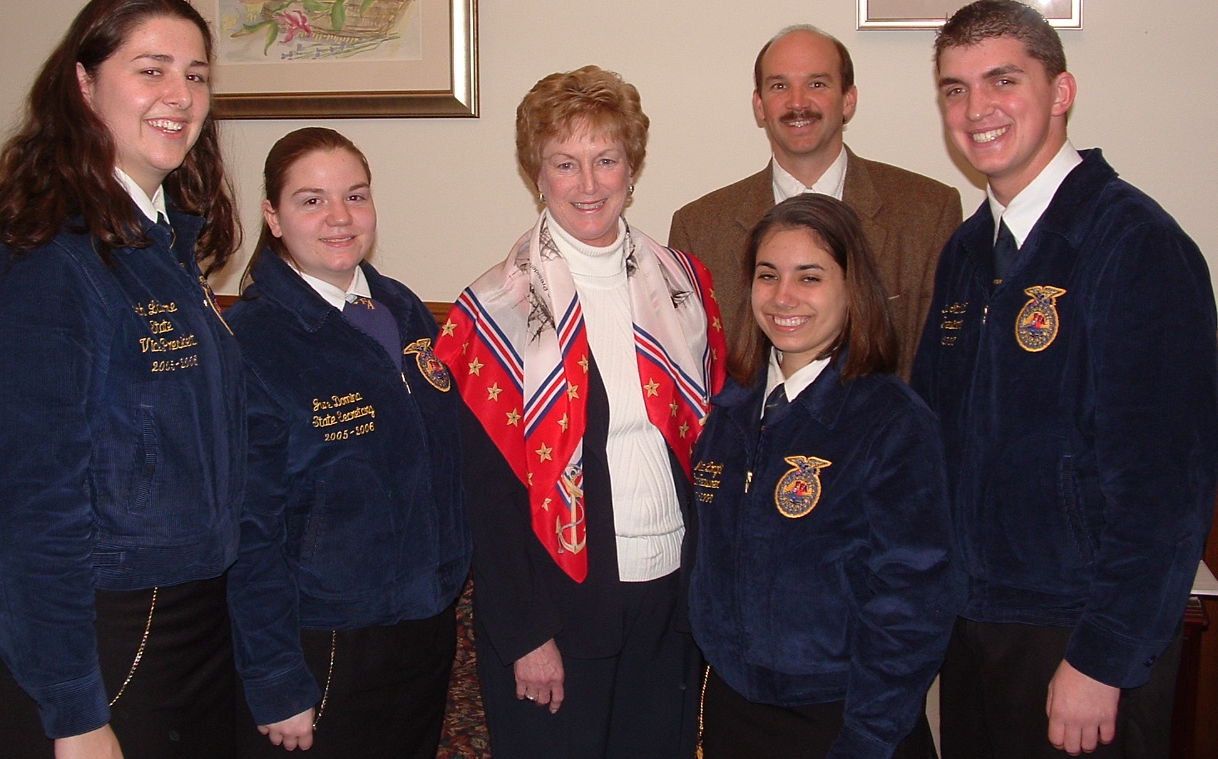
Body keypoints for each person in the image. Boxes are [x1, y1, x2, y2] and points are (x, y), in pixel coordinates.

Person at [912, 0, 1218, 758]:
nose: (977, 109)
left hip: (1079, 638)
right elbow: (931, 439)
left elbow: (1166, 486)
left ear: (1062, 93)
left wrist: (1103, 657)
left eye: (1002, 80)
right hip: (974, 625)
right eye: (955, 88)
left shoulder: (1134, 244)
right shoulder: (965, 252)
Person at [0, 0, 244, 757]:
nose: (180, 95)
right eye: (152, 70)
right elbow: (24, 515)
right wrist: (73, 713)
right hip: (96, 640)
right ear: (83, 84)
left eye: (197, 74)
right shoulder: (44, 261)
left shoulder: (162, 249)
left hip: (189, 626)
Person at [436, 66, 727, 759]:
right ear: (536, 174)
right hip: (561, 609)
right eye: (565, 163)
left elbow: (707, 444)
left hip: (672, 594)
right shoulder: (496, 311)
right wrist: (525, 632)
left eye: (607, 159)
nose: (589, 183)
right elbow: (490, 500)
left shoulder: (684, 283)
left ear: (633, 166)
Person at [225, 127, 471, 757]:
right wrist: (276, 677)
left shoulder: (404, 309)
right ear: (273, 218)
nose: (339, 218)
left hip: (423, 625)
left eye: (355, 196)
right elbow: (249, 530)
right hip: (325, 639)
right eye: (311, 201)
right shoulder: (252, 340)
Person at [689, 194, 954, 759]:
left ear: (850, 288)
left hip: (846, 718)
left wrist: (868, 736)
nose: (783, 297)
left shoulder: (891, 423)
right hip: (737, 709)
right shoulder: (728, 413)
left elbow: (912, 605)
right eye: (768, 276)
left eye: (809, 277)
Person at [669, 25, 962, 379]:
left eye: (817, 84)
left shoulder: (927, 213)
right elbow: (690, 377)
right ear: (759, 104)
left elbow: (944, 369)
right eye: (779, 86)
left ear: (848, 99)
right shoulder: (698, 229)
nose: (797, 103)